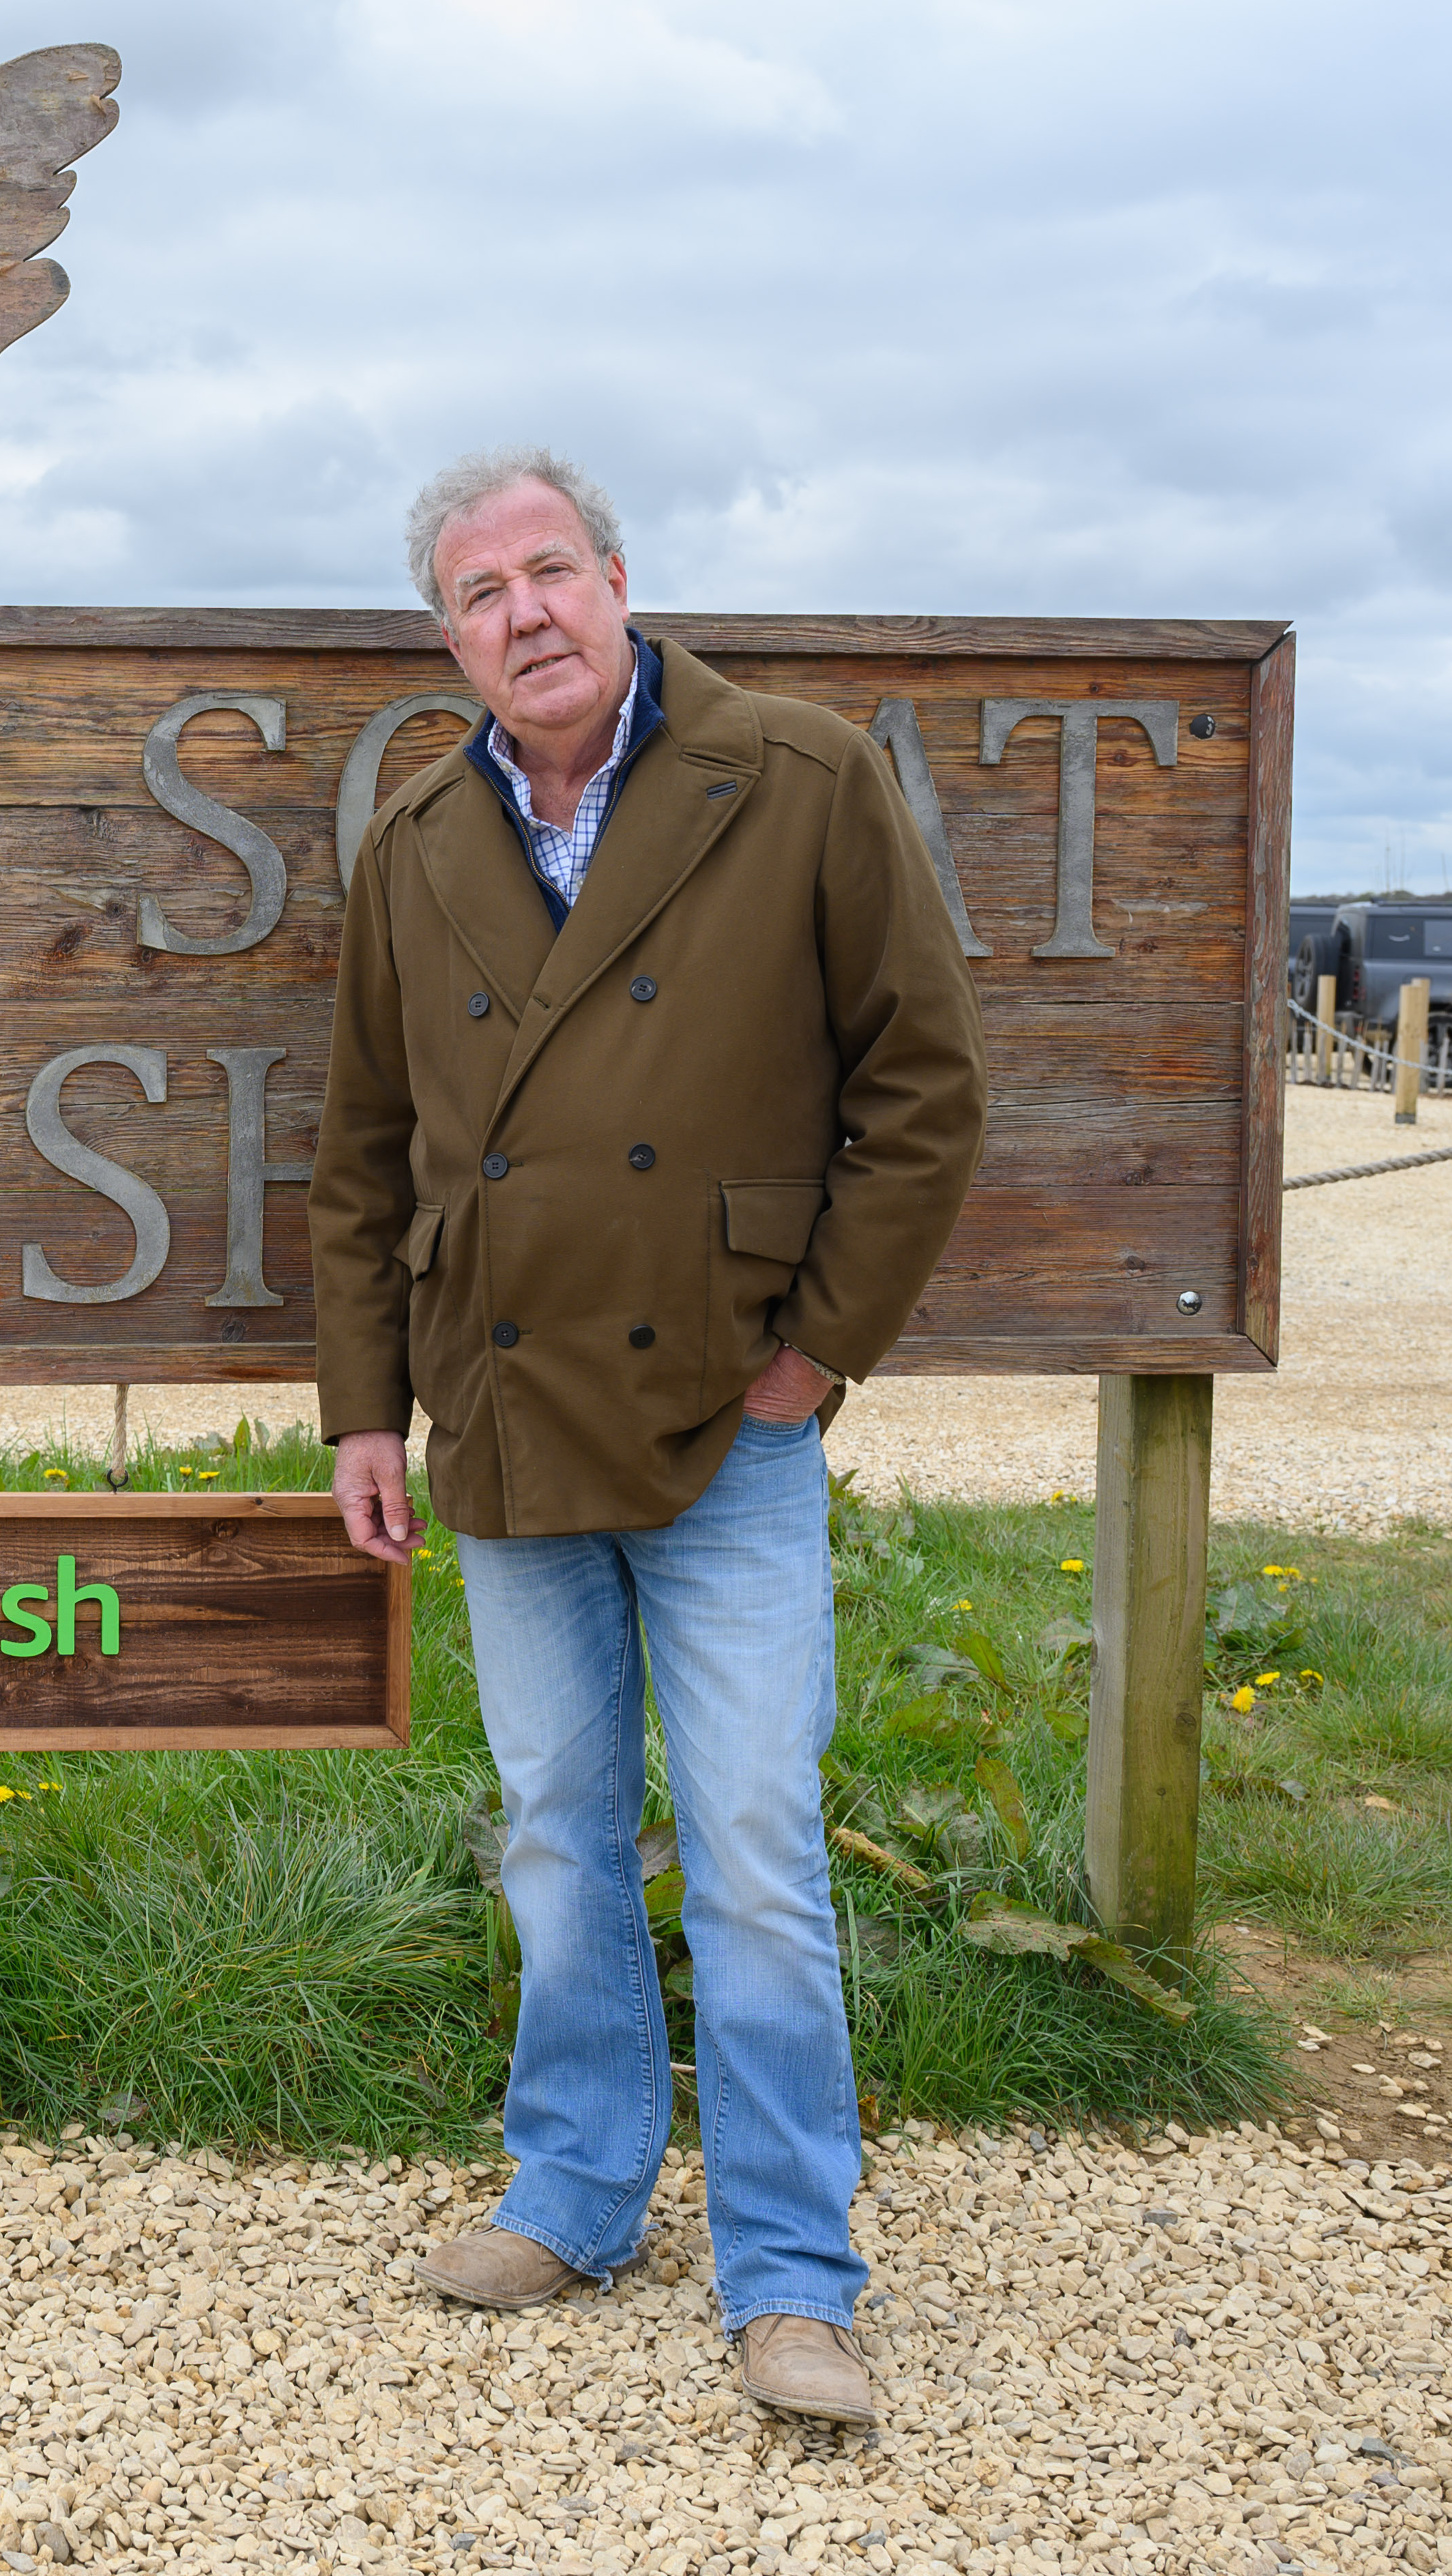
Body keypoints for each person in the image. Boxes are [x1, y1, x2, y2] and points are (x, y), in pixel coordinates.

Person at [310, 448, 986, 2427]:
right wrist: (366, 1404)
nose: (523, 613)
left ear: (619, 579)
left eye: (549, 570)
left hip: (727, 1415)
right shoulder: (420, 837)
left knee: (762, 1842)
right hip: (502, 1406)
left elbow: (925, 1087)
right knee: (553, 1823)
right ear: (448, 639)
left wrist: (819, 1356)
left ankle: (792, 2272)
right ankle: (580, 2187)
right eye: (477, 592)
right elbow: (360, 1162)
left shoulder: (797, 779)